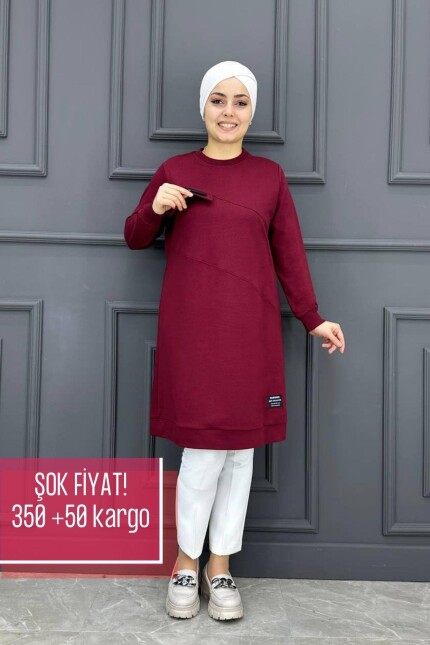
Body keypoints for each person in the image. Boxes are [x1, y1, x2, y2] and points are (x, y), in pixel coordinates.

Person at [124, 60, 345, 621]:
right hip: (192, 332)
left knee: (240, 454)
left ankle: (219, 567)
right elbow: (134, 236)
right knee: (202, 451)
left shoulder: (269, 177)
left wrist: (312, 317)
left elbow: (289, 254)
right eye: (218, 100)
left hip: (251, 332)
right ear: (203, 107)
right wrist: (154, 206)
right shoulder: (175, 170)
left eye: (240, 102)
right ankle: (185, 563)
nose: (229, 111)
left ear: (252, 111)